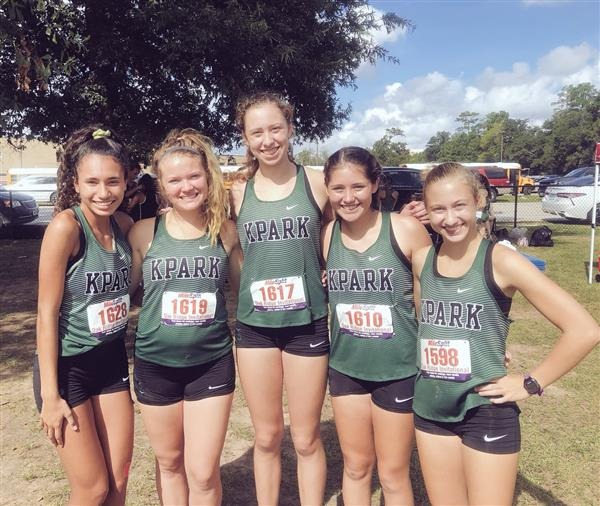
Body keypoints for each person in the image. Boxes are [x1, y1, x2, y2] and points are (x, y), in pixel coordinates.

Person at [411, 162, 600, 505]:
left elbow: (584, 330)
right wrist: (482, 343)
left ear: (478, 202)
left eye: (459, 206)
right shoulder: (422, 260)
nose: (450, 218)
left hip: (486, 407)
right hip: (431, 407)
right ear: (426, 209)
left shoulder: (502, 261)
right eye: (438, 208)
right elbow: (429, 324)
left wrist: (530, 382)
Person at [128, 128, 242, 505]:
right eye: (174, 180)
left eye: (194, 176)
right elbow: (120, 288)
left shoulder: (226, 232)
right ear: (162, 186)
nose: (186, 187)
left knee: (203, 472)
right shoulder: (145, 232)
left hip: (210, 364)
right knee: (170, 463)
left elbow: (244, 293)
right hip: (154, 364)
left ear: (208, 177)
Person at [229, 92, 330, 505]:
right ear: (246, 138)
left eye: (275, 129)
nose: (268, 140)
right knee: (267, 436)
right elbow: (227, 247)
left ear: (290, 128)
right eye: (257, 132)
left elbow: (354, 231)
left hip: (308, 325)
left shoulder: (318, 182)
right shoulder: (236, 192)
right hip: (256, 330)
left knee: (305, 437)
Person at [321, 147, 431, 505]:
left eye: (357, 186)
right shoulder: (327, 236)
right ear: (327, 189)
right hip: (345, 369)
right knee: (355, 467)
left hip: (397, 370)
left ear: (375, 185)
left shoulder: (405, 229)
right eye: (338, 189)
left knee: (392, 474)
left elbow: (431, 301)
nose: (348, 197)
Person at [33, 125, 134, 505]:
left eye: (113, 181)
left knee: (118, 482)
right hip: (66, 367)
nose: (103, 192)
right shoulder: (66, 228)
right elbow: (46, 313)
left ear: (126, 181)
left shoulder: (125, 226)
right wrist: (50, 395)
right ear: (75, 183)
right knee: (92, 489)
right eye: (92, 182)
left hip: (110, 362)